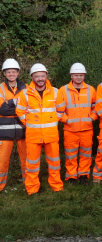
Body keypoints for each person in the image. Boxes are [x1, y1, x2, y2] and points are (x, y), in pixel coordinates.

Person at [15, 64, 65, 194]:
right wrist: (30, 123)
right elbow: (20, 111)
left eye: (42, 75)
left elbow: (61, 110)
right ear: (32, 77)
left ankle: (56, 186)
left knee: (54, 163)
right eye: (37, 76)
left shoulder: (55, 91)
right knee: (31, 164)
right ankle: (32, 189)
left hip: (51, 134)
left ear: (46, 76)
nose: (40, 78)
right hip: (33, 135)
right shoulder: (25, 93)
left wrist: (53, 120)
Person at [58, 63, 97, 184]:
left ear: (84, 75)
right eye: (76, 75)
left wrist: (92, 118)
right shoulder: (63, 90)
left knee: (86, 153)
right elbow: (58, 110)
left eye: (81, 75)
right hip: (70, 129)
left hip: (86, 128)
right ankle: (71, 176)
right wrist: (66, 120)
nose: (78, 77)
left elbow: (96, 107)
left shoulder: (91, 89)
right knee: (70, 154)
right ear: (71, 75)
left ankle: (83, 175)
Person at [0, 59, 27, 191]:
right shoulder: (0, 88)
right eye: (8, 72)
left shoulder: (26, 88)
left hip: (23, 129)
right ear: (4, 73)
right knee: (2, 160)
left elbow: (28, 108)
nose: (11, 74)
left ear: (18, 72)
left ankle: (28, 184)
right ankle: (0, 186)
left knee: (26, 158)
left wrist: (9, 103)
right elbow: (2, 110)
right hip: (5, 131)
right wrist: (17, 104)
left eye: (14, 71)